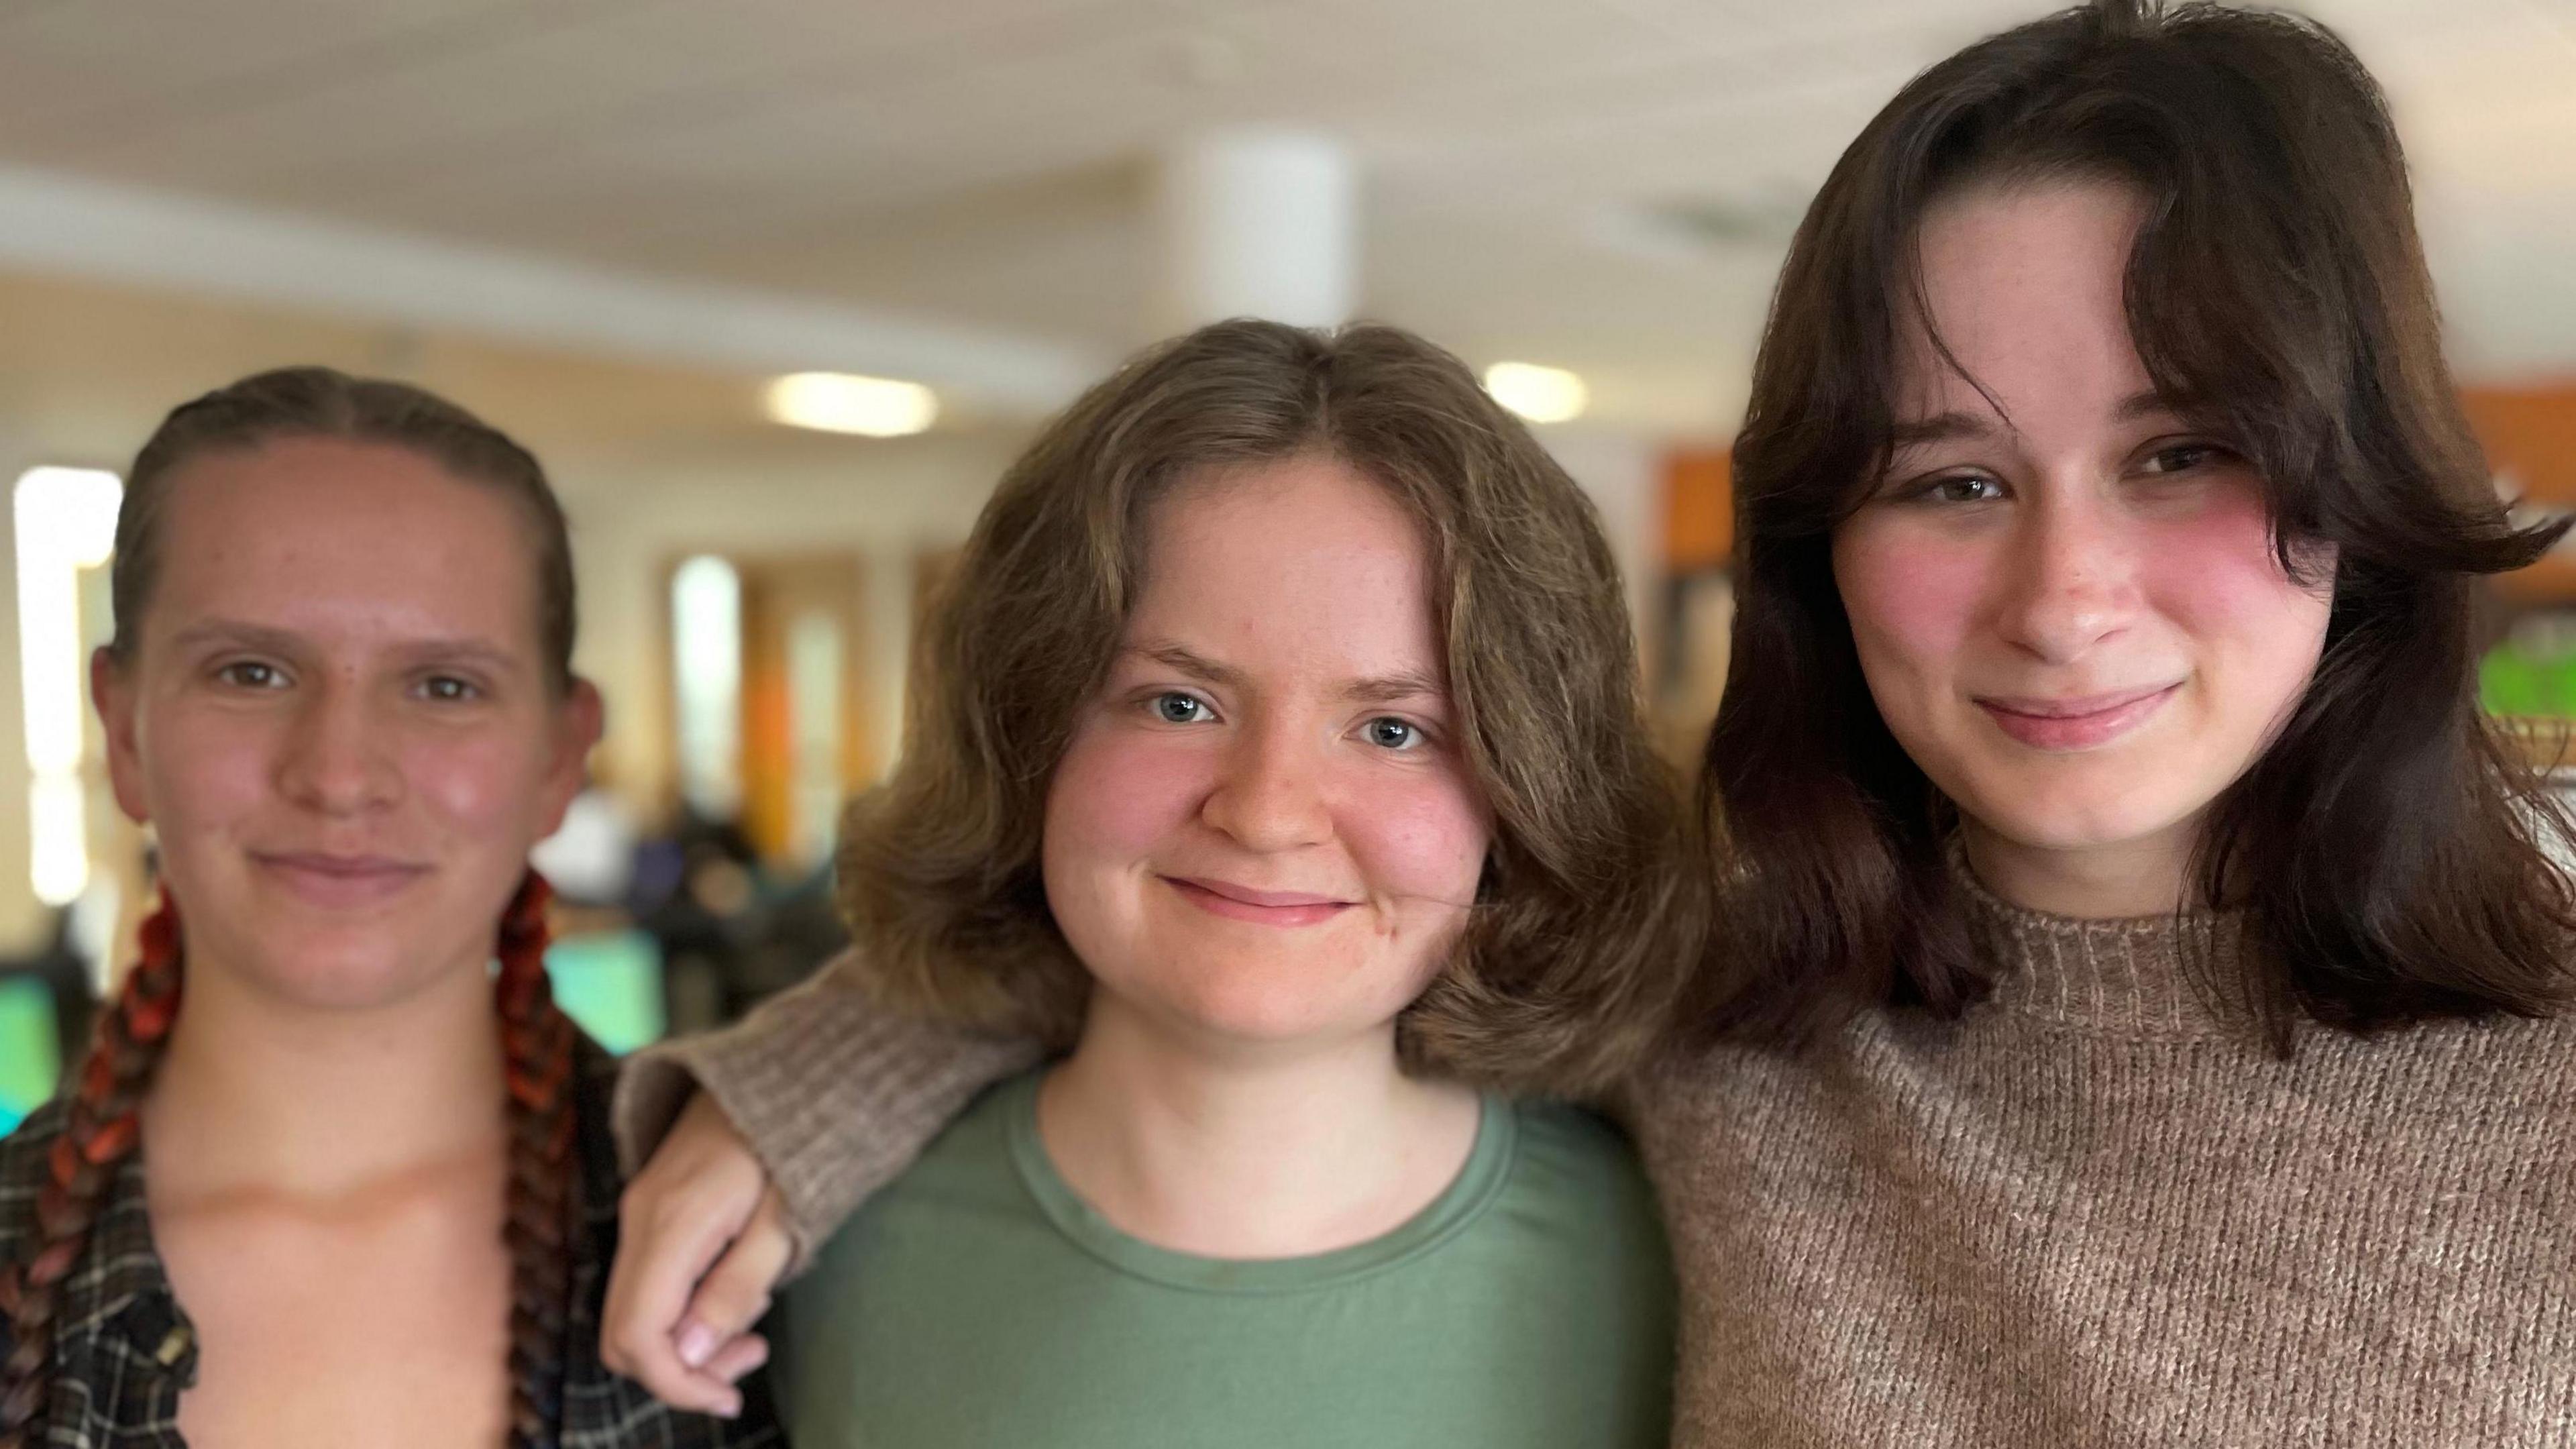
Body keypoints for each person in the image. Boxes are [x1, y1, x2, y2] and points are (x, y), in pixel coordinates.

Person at [602, 3, 2576, 1444]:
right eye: (1952, 479)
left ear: (2363, 478)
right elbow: (1241, 924)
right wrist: (815, 1079)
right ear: (1824, 540)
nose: (2062, 596)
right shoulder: (1734, 1000)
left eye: (2184, 455)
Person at [767, 320, 1680, 1444]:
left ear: (1523, 794)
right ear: (1029, 734)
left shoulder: (1689, 1268)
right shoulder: (787, 1250)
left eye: (1394, 729)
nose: (1263, 810)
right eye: (1178, 704)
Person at [0, 368, 780, 1447]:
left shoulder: (758, 1253)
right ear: (124, 733)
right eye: (253, 672)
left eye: (444, 687)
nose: (339, 775)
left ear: (560, 756)